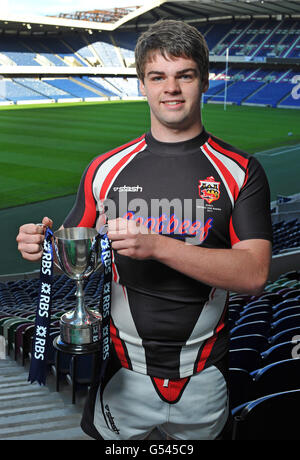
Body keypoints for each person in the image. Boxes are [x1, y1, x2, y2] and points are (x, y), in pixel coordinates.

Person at [16, 19, 273, 440]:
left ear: (203, 81)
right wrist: (42, 246)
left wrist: (158, 246)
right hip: (122, 372)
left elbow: (254, 274)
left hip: (205, 372)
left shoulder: (242, 171)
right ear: (142, 84)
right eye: (157, 77)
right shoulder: (104, 169)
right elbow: (70, 257)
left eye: (183, 75)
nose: (170, 88)